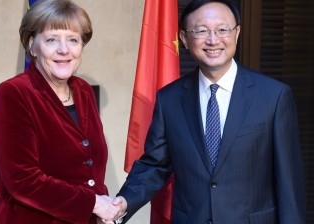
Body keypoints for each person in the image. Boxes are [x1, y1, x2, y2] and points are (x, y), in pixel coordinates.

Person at [111, 0, 306, 223]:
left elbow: (289, 185)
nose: (213, 40)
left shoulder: (274, 96)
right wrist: (122, 203)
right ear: (184, 38)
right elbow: (154, 165)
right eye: (201, 31)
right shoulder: (170, 99)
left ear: (237, 33)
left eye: (223, 30)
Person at [0, 0, 120, 223]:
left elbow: (91, 171)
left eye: (73, 40)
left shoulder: (83, 91)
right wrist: (95, 203)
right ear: (32, 46)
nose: (64, 50)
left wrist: (102, 209)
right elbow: (23, 180)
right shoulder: (14, 93)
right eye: (51, 40)